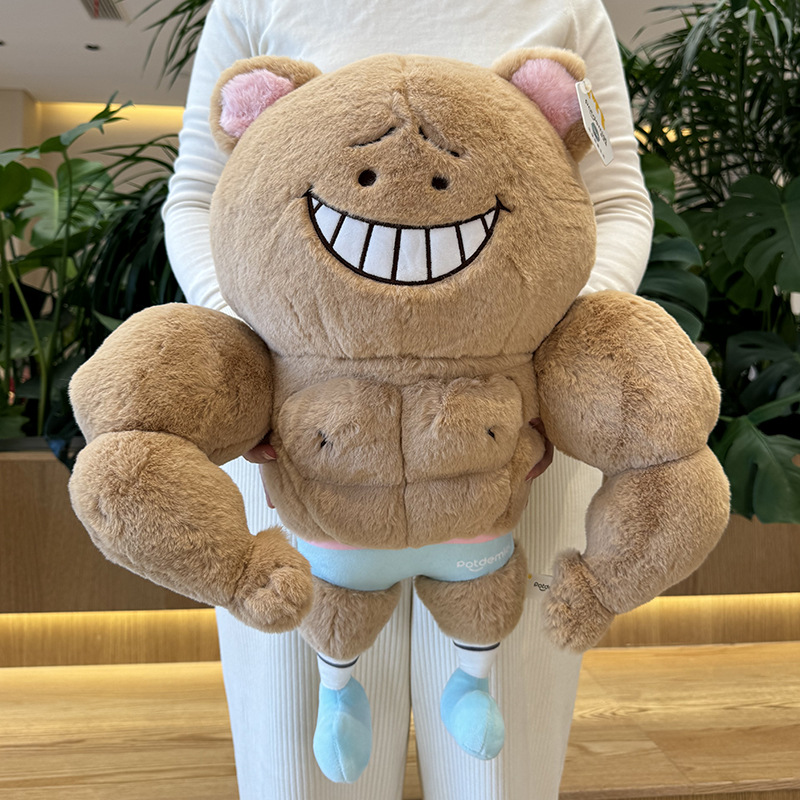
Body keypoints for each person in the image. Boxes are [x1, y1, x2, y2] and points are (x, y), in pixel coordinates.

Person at [162, 1, 653, 797]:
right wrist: (269, 351)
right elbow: (202, 194)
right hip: (306, 426)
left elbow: (614, 197)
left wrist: (538, 358)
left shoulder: (565, 6)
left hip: (507, 427)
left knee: (500, 762)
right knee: (303, 758)